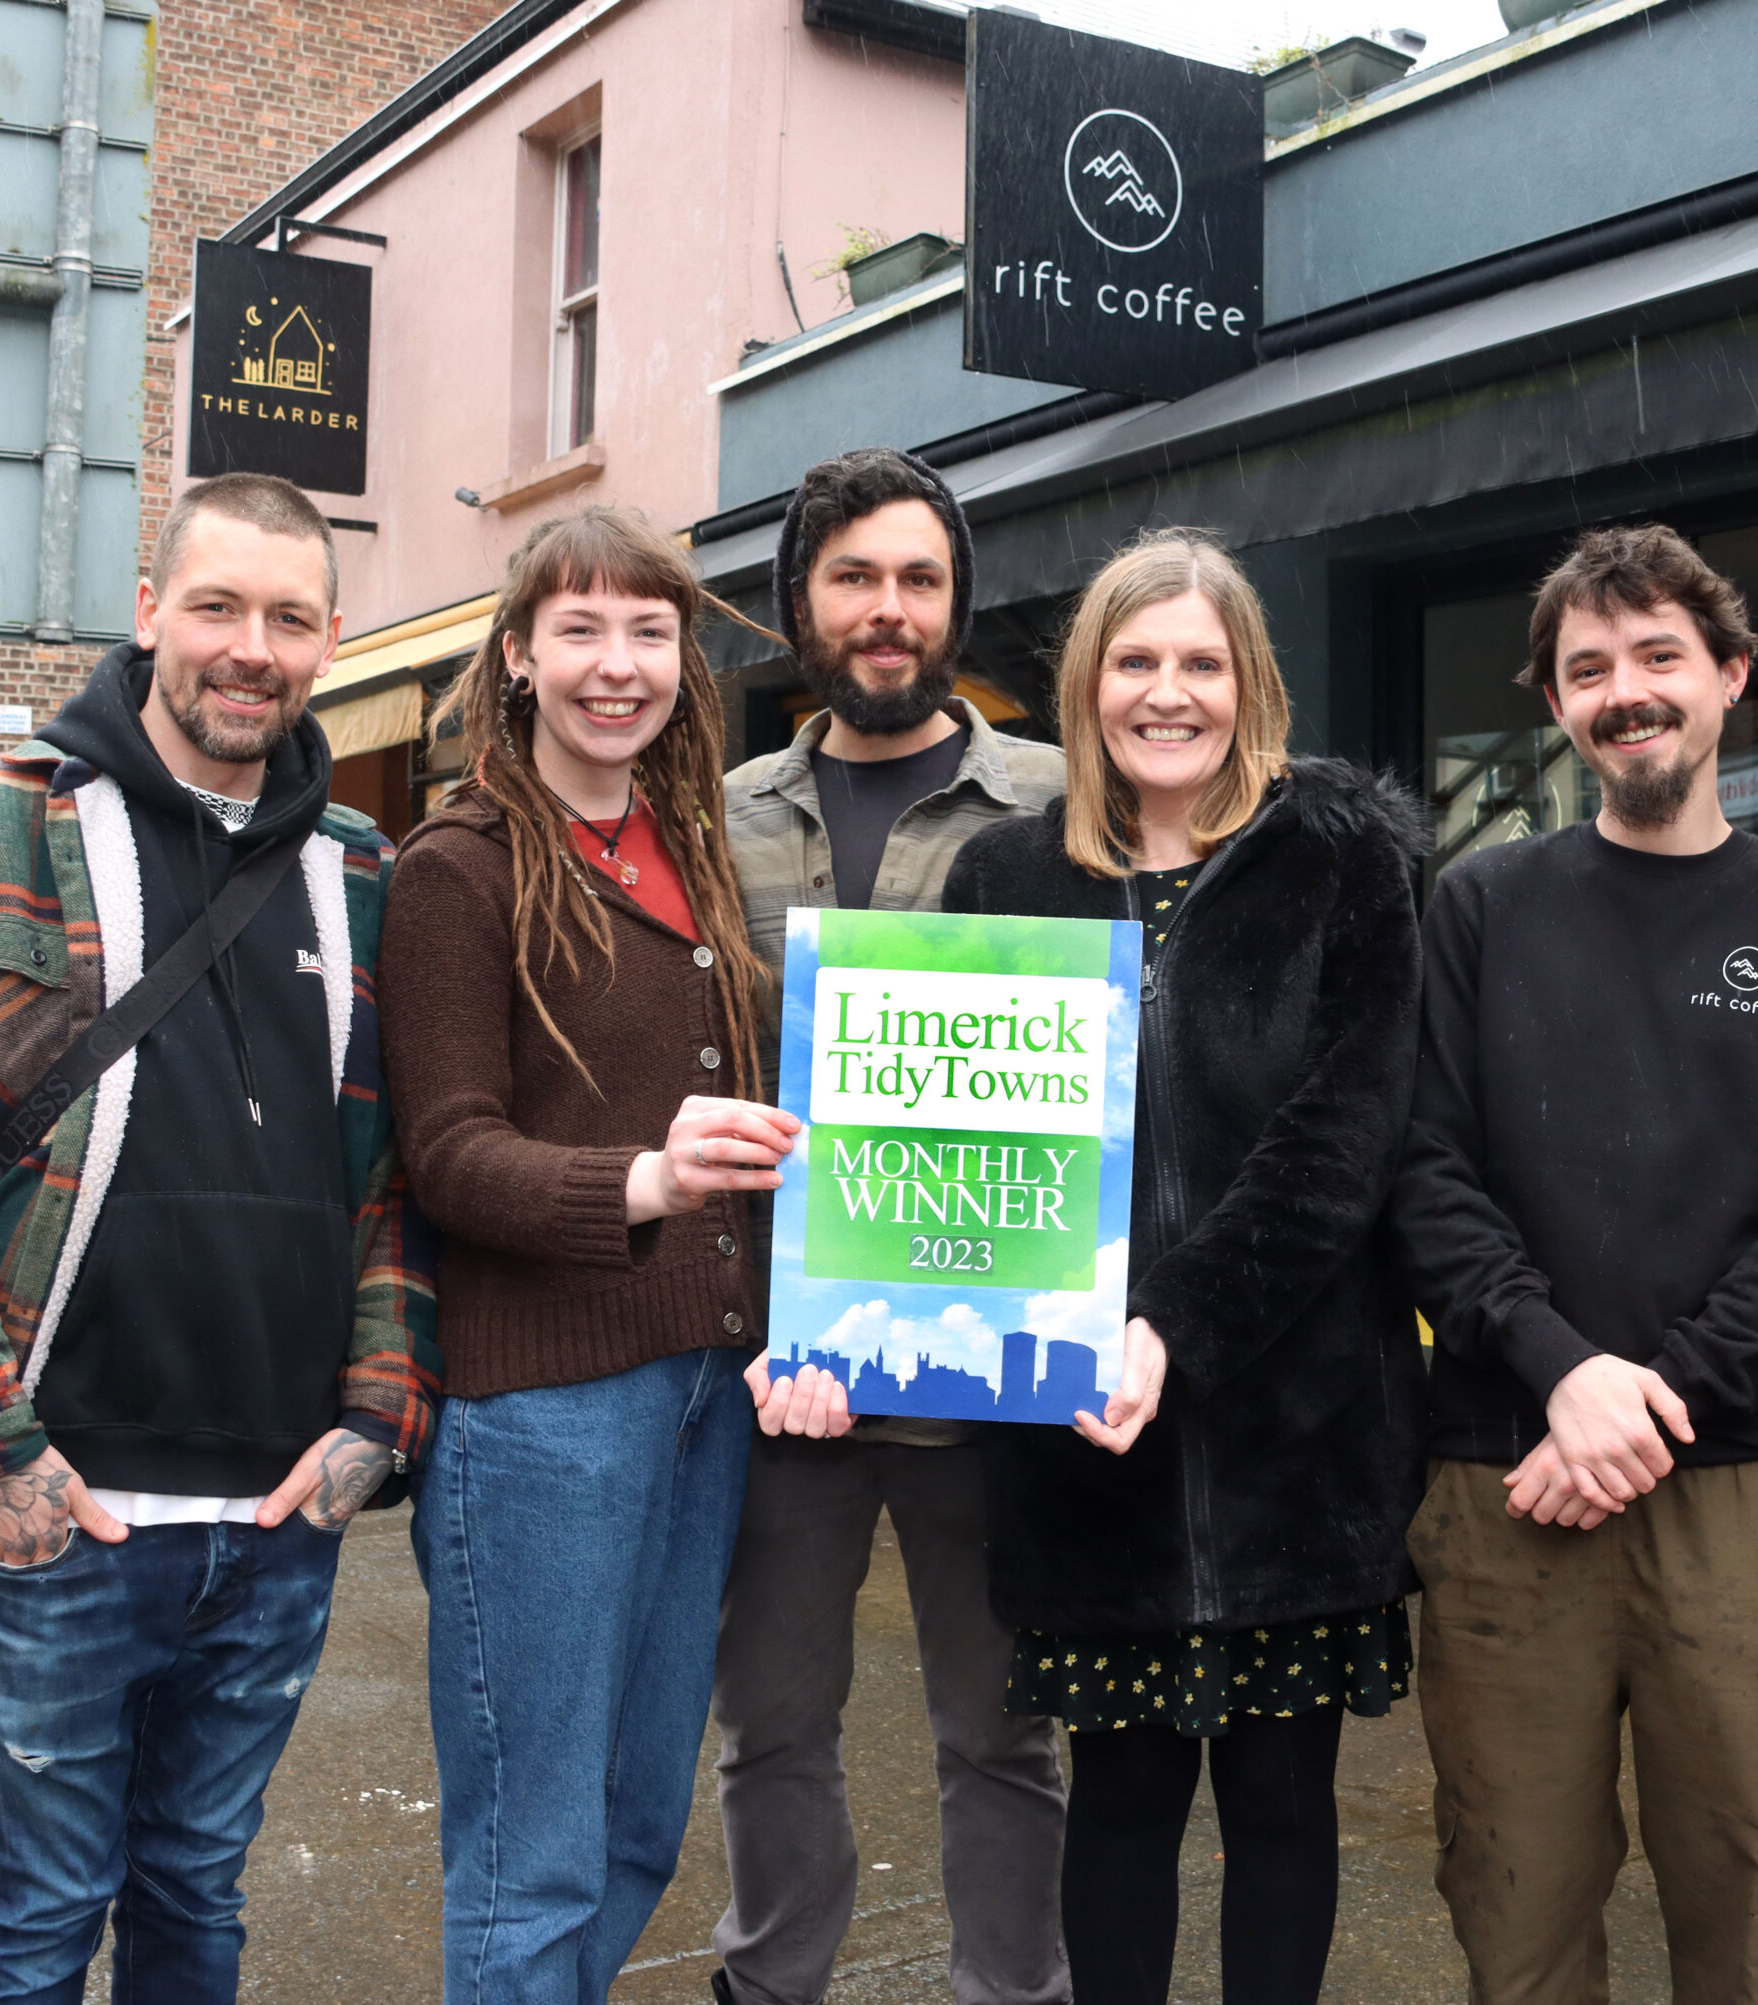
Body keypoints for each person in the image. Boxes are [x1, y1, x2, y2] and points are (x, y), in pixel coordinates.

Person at [0, 471, 439, 2003]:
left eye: (289, 617)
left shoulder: (361, 869)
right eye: (216, 605)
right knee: (33, 1917)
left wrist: (373, 1421)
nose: (250, 647)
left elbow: (393, 1183)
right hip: (59, 1503)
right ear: (149, 611)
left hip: (276, 1519)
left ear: (332, 640)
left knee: (197, 1902)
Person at [1395, 522, 1758, 2005]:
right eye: (1588, 668)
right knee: (1515, 1901)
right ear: (1557, 704)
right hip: (1506, 1481)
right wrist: (1564, 1375)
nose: (1626, 691)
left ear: (1732, 675)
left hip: (1737, 1483)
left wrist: (1648, 1399)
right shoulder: (1479, 909)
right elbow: (1425, 1177)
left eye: (1659, 657)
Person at [939, 528, 1428, 2005]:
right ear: (1088, 684)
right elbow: (953, 1147)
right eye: (1137, 660)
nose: (1169, 692)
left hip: (1303, 1436)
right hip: (1087, 1450)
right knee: (1124, 1807)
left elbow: (1341, 1150)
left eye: (1200, 663)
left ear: (1250, 681)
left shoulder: (1347, 863)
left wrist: (1169, 1328)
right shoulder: (1002, 873)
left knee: (1284, 1805)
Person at [378, 506, 795, 2004]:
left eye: (649, 630)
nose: (617, 665)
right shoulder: (461, 862)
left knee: (636, 1826)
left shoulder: (697, 850)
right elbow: (450, 1149)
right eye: (580, 630)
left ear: (685, 659)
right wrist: (645, 1177)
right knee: (532, 1848)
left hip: (703, 1390)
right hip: (543, 1417)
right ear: (516, 657)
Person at [713, 448, 1071, 2005]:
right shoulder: (715, 818)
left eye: (919, 578)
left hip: (991, 1372)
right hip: (781, 1370)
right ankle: (769, 1981)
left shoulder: (1063, 797)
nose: (888, 610)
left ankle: (1016, 1989)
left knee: (1002, 1732)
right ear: (802, 601)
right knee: (772, 1726)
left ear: (956, 604)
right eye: (854, 575)